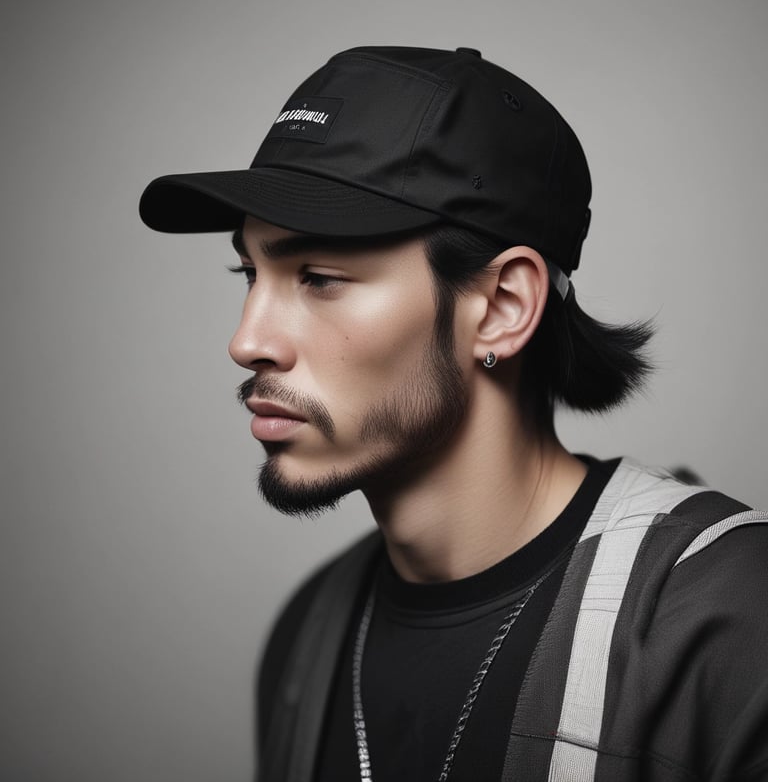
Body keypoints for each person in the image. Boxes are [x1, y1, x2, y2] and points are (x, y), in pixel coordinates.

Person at [139, 46, 768, 782]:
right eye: (251, 272)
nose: (247, 341)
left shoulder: (721, 615)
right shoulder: (308, 636)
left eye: (319, 277)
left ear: (502, 308)